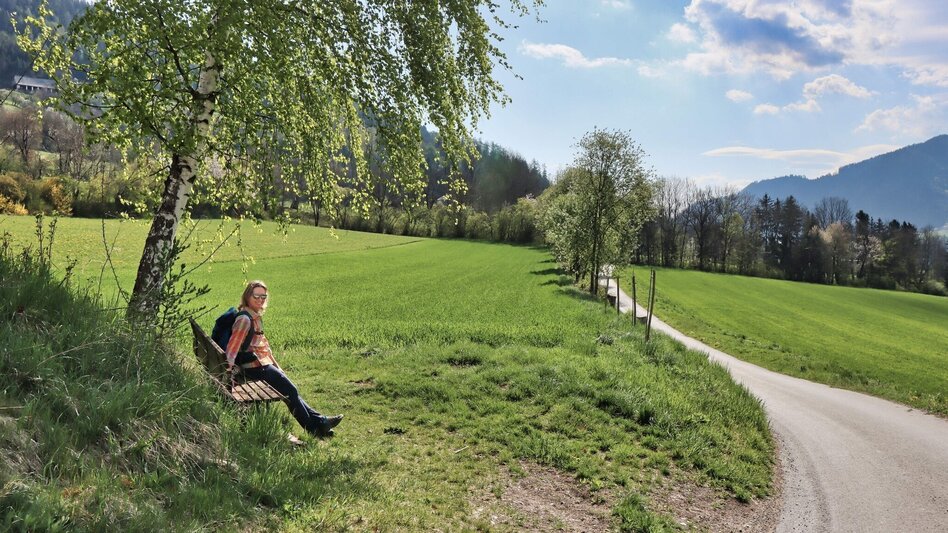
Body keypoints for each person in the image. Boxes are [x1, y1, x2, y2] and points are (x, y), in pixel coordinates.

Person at [225, 280, 343, 438]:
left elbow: (264, 346)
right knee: (291, 391)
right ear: (248, 296)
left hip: (263, 364)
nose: (260, 299)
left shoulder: (255, 317)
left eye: (263, 296)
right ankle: (316, 427)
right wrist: (228, 372)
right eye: (256, 296)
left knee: (290, 392)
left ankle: (319, 424)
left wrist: (276, 365)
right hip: (254, 367)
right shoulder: (245, 319)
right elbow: (232, 349)